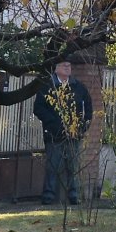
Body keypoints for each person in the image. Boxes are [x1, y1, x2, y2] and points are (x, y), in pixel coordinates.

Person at [34, 59, 93, 206]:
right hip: (54, 135)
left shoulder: (79, 87)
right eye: (64, 65)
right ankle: (48, 196)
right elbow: (39, 109)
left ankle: (74, 196)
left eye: (69, 65)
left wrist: (81, 128)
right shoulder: (48, 87)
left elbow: (88, 111)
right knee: (52, 166)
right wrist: (54, 125)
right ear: (56, 69)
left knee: (73, 166)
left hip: (74, 135)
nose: (68, 68)